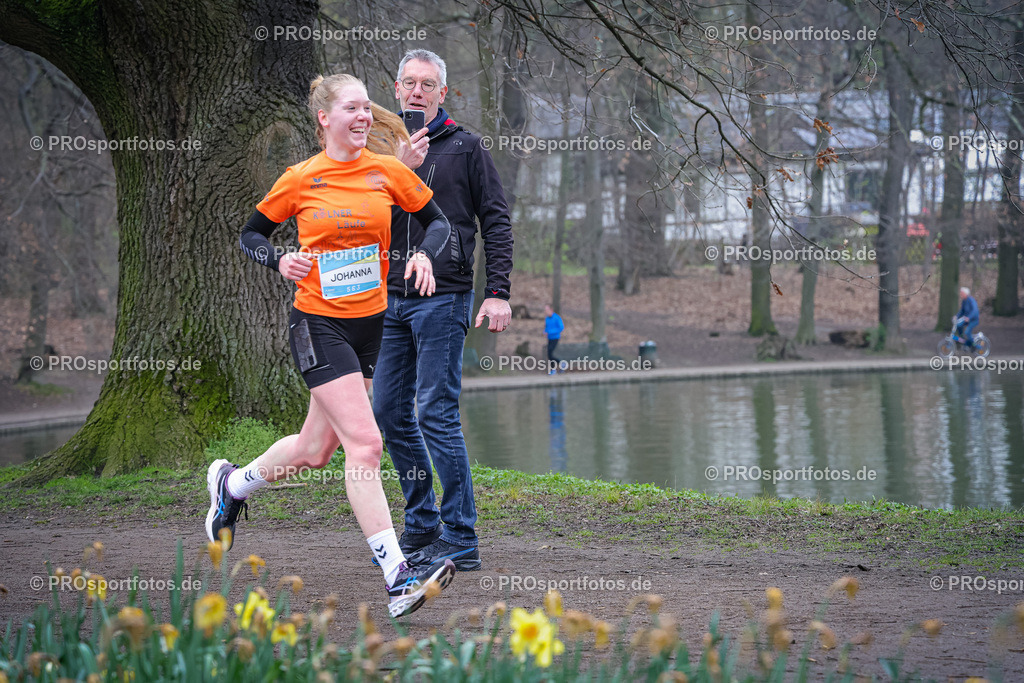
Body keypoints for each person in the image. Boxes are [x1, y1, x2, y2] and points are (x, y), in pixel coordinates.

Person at [205, 73, 456, 618]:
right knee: (365, 445)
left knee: (315, 450)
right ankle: (398, 577)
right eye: (352, 109)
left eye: (367, 108)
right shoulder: (300, 179)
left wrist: (423, 256)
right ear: (325, 118)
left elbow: (440, 226)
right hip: (318, 325)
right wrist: (278, 259)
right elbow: (251, 235)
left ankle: (232, 485)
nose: (365, 117)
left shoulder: (387, 171)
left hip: (371, 325)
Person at [371, 49, 514, 572]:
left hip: (445, 296)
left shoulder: (466, 147)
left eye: (426, 84)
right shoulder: (378, 151)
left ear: (441, 94)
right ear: (395, 88)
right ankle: (423, 523)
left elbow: (495, 220)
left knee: (435, 410)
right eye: (408, 82)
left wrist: (497, 291)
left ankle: (460, 536)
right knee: (388, 411)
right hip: (386, 298)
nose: (416, 91)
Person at [544, 304, 564, 374]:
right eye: (545, 310)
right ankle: (555, 368)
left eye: (547, 310)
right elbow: (546, 327)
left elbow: (561, 328)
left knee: (550, 353)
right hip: (549, 338)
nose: (546, 312)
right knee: (549, 354)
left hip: (555, 338)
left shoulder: (557, 318)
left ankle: (559, 365)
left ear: (551, 310)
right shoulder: (546, 319)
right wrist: (545, 331)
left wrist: (550, 332)